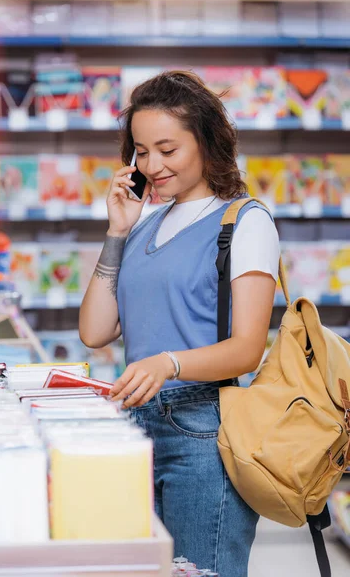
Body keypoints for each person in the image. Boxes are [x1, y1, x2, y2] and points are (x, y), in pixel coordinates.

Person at [79, 70, 280, 576]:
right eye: (142, 152)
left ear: (207, 142)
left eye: (168, 149)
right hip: (135, 425)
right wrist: (116, 232)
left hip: (204, 433)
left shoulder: (244, 221)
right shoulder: (145, 224)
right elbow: (95, 332)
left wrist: (168, 363)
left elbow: (248, 349)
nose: (153, 164)